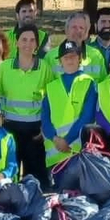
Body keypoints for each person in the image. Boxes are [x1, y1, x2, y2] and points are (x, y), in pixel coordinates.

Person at [0, 26, 53, 187]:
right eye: (24, 40)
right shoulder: (5, 67)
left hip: (35, 131)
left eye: (32, 40)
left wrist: (45, 127)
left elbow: (50, 99)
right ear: (17, 43)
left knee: (35, 177)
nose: (28, 44)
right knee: (9, 174)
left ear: (37, 44)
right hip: (9, 129)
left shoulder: (44, 67)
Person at [41, 40, 99, 170]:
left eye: (73, 56)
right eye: (65, 57)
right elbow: (45, 119)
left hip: (79, 151)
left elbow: (87, 117)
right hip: (55, 155)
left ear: (79, 58)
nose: (69, 60)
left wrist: (67, 140)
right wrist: (55, 139)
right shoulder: (51, 87)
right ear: (60, 61)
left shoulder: (88, 83)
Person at [47, 14, 106, 81]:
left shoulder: (96, 56)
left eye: (81, 28)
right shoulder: (51, 57)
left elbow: (103, 85)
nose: (78, 31)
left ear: (85, 33)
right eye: (74, 27)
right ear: (66, 30)